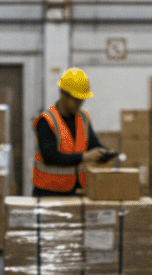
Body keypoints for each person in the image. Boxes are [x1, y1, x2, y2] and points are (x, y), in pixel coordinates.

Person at [32, 68, 111, 196]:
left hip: (77, 191)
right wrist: (84, 157)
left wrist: (104, 153)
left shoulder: (83, 118)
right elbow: (50, 157)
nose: (80, 104)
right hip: (48, 193)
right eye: (76, 100)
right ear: (63, 94)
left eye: (82, 100)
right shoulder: (46, 120)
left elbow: (93, 144)